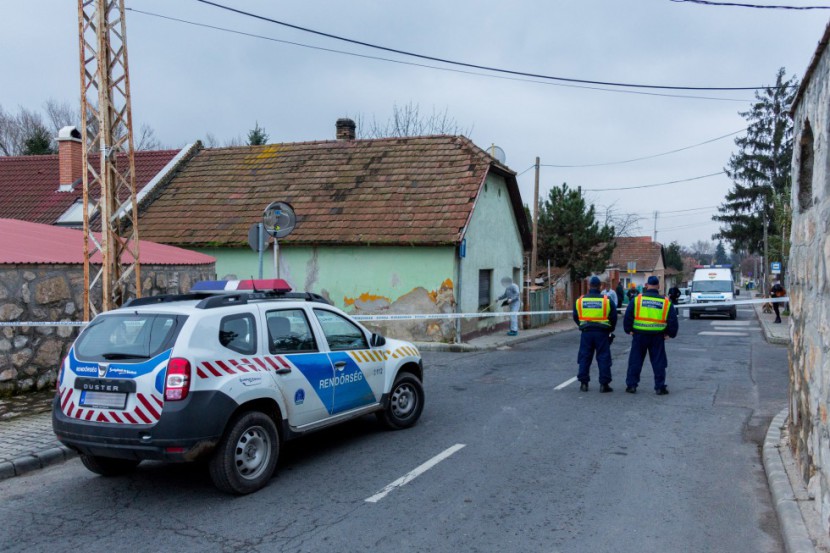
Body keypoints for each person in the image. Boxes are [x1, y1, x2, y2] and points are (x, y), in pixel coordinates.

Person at [623, 275, 679, 395]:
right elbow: (672, 320)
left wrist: (629, 329)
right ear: (658, 286)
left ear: (647, 286)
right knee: (658, 361)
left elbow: (628, 316)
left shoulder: (637, 300)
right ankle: (659, 387)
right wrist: (670, 333)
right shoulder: (665, 302)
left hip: (639, 335)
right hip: (657, 336)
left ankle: (631, 385)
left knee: (635, 360)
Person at [573, 276, 617, 393]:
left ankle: (584, 383)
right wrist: (610, 330)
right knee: (603, 357)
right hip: (602, 333)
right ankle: (604, 384)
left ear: (588, 286)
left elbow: (575, 316)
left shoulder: (580, 300)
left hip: (586, 333)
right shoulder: (607, 301)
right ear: (600, 286)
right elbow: (613, 317)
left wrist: (582, 326)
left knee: (585, 357)